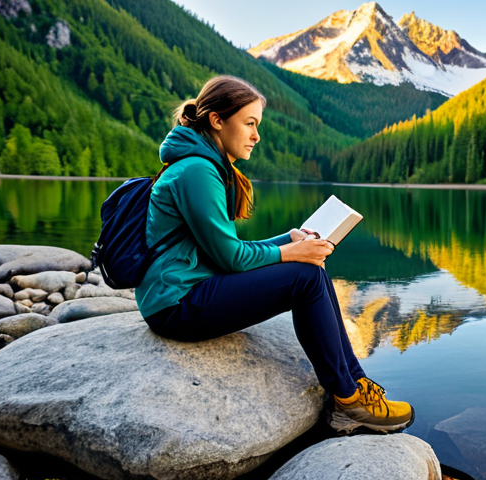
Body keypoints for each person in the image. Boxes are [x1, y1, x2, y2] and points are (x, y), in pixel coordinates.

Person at [137, 75, 414, 434]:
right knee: (305, 275)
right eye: (249, 124)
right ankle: (348, 398)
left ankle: (354, 386)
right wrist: (291, 252)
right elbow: (230, 258)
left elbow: (222, 252)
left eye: (258, 125)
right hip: (176, 306)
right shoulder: (197, 171)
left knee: (308, 267)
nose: (256, 136)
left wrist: (289, 239)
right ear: (217, 120)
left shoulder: (200, 164)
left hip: (188, 287)